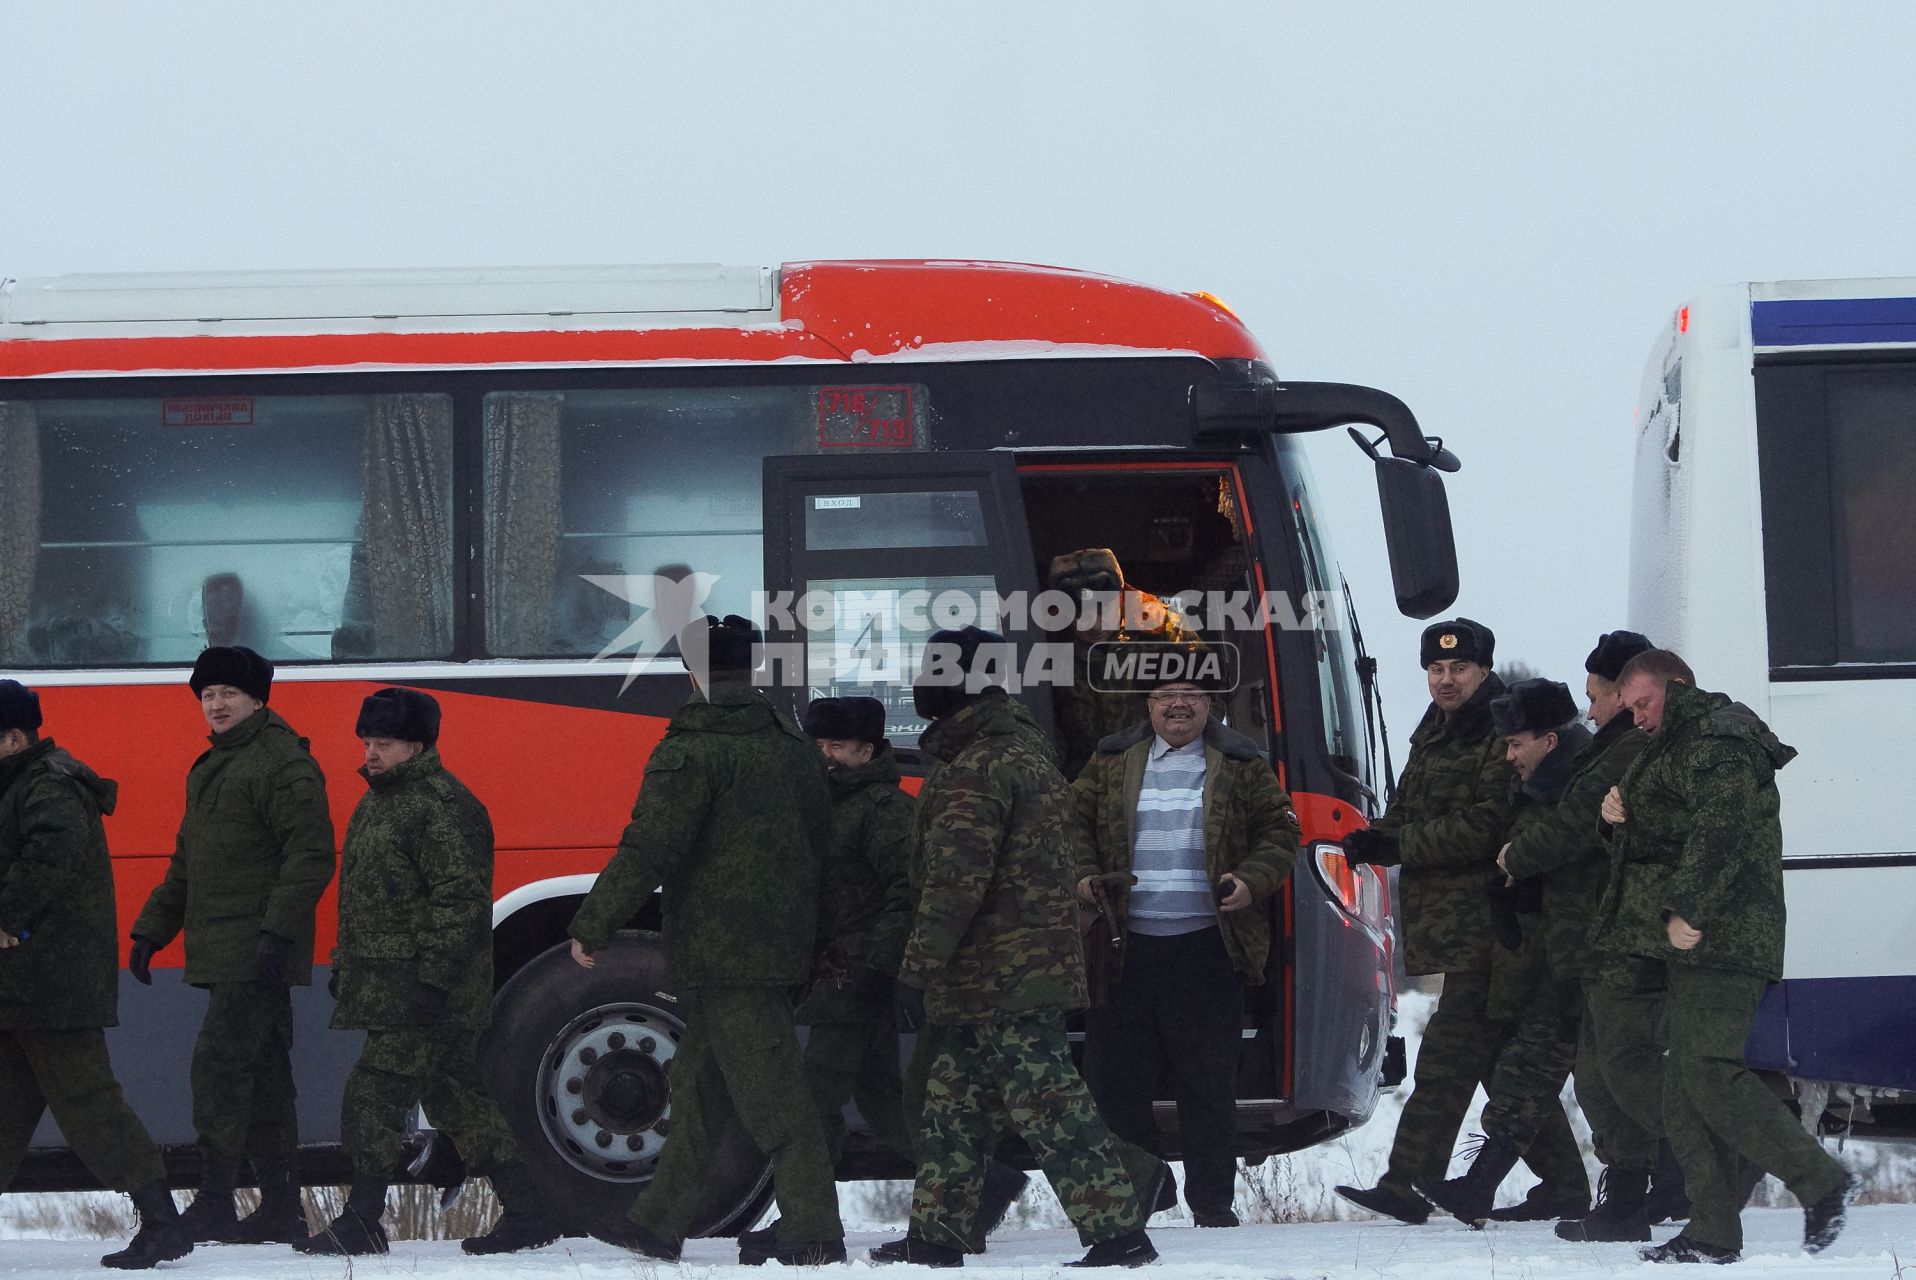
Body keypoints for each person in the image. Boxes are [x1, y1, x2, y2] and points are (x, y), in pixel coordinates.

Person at [567, 616, 843, 1267]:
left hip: (725, 956)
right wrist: (820, 941)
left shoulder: (691, 749)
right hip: (773, 951)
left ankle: (813, 1226)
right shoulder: (792, 748)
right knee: (697, 1089)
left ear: (692, 674)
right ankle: (659, 1222)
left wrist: (594, 921)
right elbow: (824, 856)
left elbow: (650, 845)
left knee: (777, 1098)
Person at [875, 626, 1154, 1269]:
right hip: (1002, 975)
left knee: (1050, 1103)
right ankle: (935, 1237)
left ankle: (1118, 1232)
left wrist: (915, 973)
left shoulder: (977, 769)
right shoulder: (1022, 755)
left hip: (1000, 976)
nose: (920, 683)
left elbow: (954, 883)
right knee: (953, 1106)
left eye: (931, 670)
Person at [1601, 650, 1856, 1264]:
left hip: (1727, 932)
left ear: (1679, 687)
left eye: (1643, 703)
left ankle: (1820, 1180)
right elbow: (1671, 832)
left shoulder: (1721, 737)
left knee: (1710, 1071)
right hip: (1690, 937)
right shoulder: (1675, 743)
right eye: (1628, 707)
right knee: (1683, 1090)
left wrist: (1689, 908)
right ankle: (1713, 1231)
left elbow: (1724, 828)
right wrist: (1617, 818)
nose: (1635, 717)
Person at [295, 688, 559, 1256]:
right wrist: (347, 964)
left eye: (382, 744)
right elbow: (364, 899)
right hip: (395, 988)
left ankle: (364, 1219)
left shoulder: (441, 806)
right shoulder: (381, 802)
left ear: (416, 746)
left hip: (427, 992)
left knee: (372, 1094)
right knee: (458, 1100)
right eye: (367, 743)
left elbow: (460, 902)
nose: (370, 755)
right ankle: (531, 1212)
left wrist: (434, 980)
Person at [1336, 618, 1564, 1224]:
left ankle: (1406, 1185)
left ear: (1483, 670)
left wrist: (1398, 844)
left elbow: (1485, 827)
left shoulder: (1500, 729)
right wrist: (1367, 838)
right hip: (1454, 927)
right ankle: (1565, 1183)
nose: (1445, 679)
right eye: (1435, 670)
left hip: (1493, 922)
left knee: (1448, 1053)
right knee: (1486, 1057)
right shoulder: (1435, 728)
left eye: (1458, 668)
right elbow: (1408, 809)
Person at [1071, 660, 1298, 1229]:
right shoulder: (1110, 760)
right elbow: (1067, 824)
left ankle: (1214, 1206)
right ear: (1147, 704)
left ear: (1210, 703)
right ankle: (1142, 1196)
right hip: (1125, 950)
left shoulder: (1242, 762)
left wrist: (1252, 880)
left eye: (1191, 695)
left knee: (1208, 1085)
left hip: (1207, 950)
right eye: (1166, 695)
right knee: (1118, 1085)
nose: (1178, 705)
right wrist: (1081, 875)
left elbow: (1282, 832)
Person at [129, 646, 336, 1244]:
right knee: (266, 1078)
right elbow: (187, 861)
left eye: (228, 694)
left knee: (219, 1070)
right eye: (207, 695)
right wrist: (152, 929)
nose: (216, 705)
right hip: (225, 950)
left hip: (256, 951)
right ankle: (280, 1208)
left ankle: (217, 1201)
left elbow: (310, 856)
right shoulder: (213, 765)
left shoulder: (281, 764)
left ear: (257, 698)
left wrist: (277, 930)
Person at [0, 681, 192, 1270]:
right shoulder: (21, 782)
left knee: (89, 1106)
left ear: (12, 737)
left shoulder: (51, 784)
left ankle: (163, 1223)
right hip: (22, 984)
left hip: (52, 987)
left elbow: (49, 857)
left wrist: (6, 915)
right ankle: (163, 1222)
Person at [739, 695, 919, 1255]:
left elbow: (906, 897)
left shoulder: (883, 810)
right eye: (816, 745)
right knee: (886, 1100)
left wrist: (878, 969)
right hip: (839, 977)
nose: (824, 756)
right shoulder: (822, 804)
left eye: (837, 747)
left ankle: (807, 1225)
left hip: (858, 978)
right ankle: (981, 1180)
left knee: (813, 1105)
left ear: (868, 751)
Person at [1416, 677, 1594, 1224]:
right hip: (1547, 954)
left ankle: (1485, 1186)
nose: (1509, 755)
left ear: (1551, 741)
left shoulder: (1577, 788)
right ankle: (1517, 1188)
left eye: (1517, 744)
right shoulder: (1541, 787)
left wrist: (1520, 874)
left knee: (1550, 1070)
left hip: (1580, 955)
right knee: (1530, 1068)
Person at [1537, 630, 1678, 1244]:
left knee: (1615, 1070)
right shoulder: (1617, 750)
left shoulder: (1626, 754)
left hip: (1622, 938)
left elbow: (1572, 827)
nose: (1589, 711)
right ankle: (1632, 1196)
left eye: (1595, 696)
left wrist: (1514, 859)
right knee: (1604, 1070)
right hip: (1605, 937)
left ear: (1625, 694)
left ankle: (1647, 1192)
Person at [1047, 548, 1193, 780]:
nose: (1094, 626)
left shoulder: (1160, 629)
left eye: (1102, 611)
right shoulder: (1050, 641)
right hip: (1084, 777)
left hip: (1155, 772)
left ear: (1121, 599)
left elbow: (1208, 693)